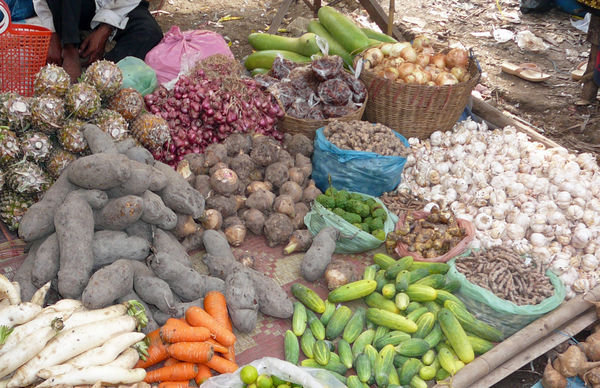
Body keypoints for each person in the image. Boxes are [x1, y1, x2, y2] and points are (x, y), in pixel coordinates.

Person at [33, 0, 163, 82]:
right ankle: (70, 51)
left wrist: (105, 28)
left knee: (149, 33)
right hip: (73, 8)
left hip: (119, 5)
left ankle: (100, 72)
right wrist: (52, 34)